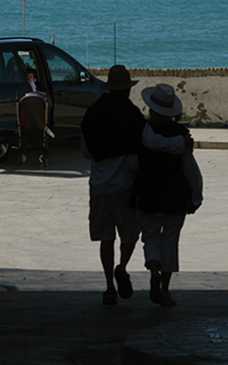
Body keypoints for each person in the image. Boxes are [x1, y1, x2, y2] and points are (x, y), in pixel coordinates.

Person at [81, 66, 188, 305]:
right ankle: (123, 265)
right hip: (126, 186)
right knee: (129, 235)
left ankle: (109, 286)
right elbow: (146, 147)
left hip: (100, 185)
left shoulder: (93, 113)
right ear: (128, 89)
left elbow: (87, 151)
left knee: (105, 238)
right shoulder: (133, 116)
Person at [136, 83, 203, 307]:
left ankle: (153, 273)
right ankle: (165, 289)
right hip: (175, 195)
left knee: (151, 237)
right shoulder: (182, 136)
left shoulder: (145, 132)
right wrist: (196, 195)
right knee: (170, 240)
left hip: (148, 194)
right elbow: (190, 169)